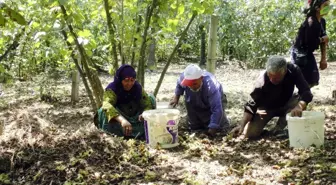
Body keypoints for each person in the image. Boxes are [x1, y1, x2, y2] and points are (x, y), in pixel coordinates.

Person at [231, 56, 313, 139]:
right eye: (270, 76)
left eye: (276, 77)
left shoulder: (293, 70)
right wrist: (242, 125)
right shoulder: (261, 82)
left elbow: (306, 92)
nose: (272, 80)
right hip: (267, 108)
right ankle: (267, 132)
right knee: (250, 134)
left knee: (298, 102)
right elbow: (251, 105)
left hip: (287, 103)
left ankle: (279, 129)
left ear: (284, 72)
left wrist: (299, 106)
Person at [94, 64, 156, 139]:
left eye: (132, 80)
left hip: (135, 118)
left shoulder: (137, 88)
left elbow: (147, 104)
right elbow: (107, 105)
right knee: (102, 111)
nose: (129, 84)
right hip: (119, 119)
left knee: (151, 98)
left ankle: (142, 133)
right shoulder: (112, 89)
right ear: (120, 79)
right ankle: (112, 136)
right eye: (126, 80)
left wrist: (144, 114)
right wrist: (122, 120)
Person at [170, 64, 230, 136]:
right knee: (193, 124)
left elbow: (216, 109)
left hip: (214, 100)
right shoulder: (184, 77)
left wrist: (212, 130)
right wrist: (176, 97)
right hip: (193, 98)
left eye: (194, 84)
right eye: (189, 84)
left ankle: (216, 126)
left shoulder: (211, 85)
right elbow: (179, 85)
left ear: (201, 78)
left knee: (219, 126)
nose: (192, 86)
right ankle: (195, 127)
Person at [291, 0, 330, 87]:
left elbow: (324, 38)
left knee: (313, 80)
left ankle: (302, 97)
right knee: (306, 81)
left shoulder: (322, 21)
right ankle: (298, 98)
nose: (328, 8)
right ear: (317, 8)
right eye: (325, 6)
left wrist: (323, 59)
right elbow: (311, 42)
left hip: (307, 52)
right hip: (300, 53)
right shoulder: (311, 22)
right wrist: (322, 39)